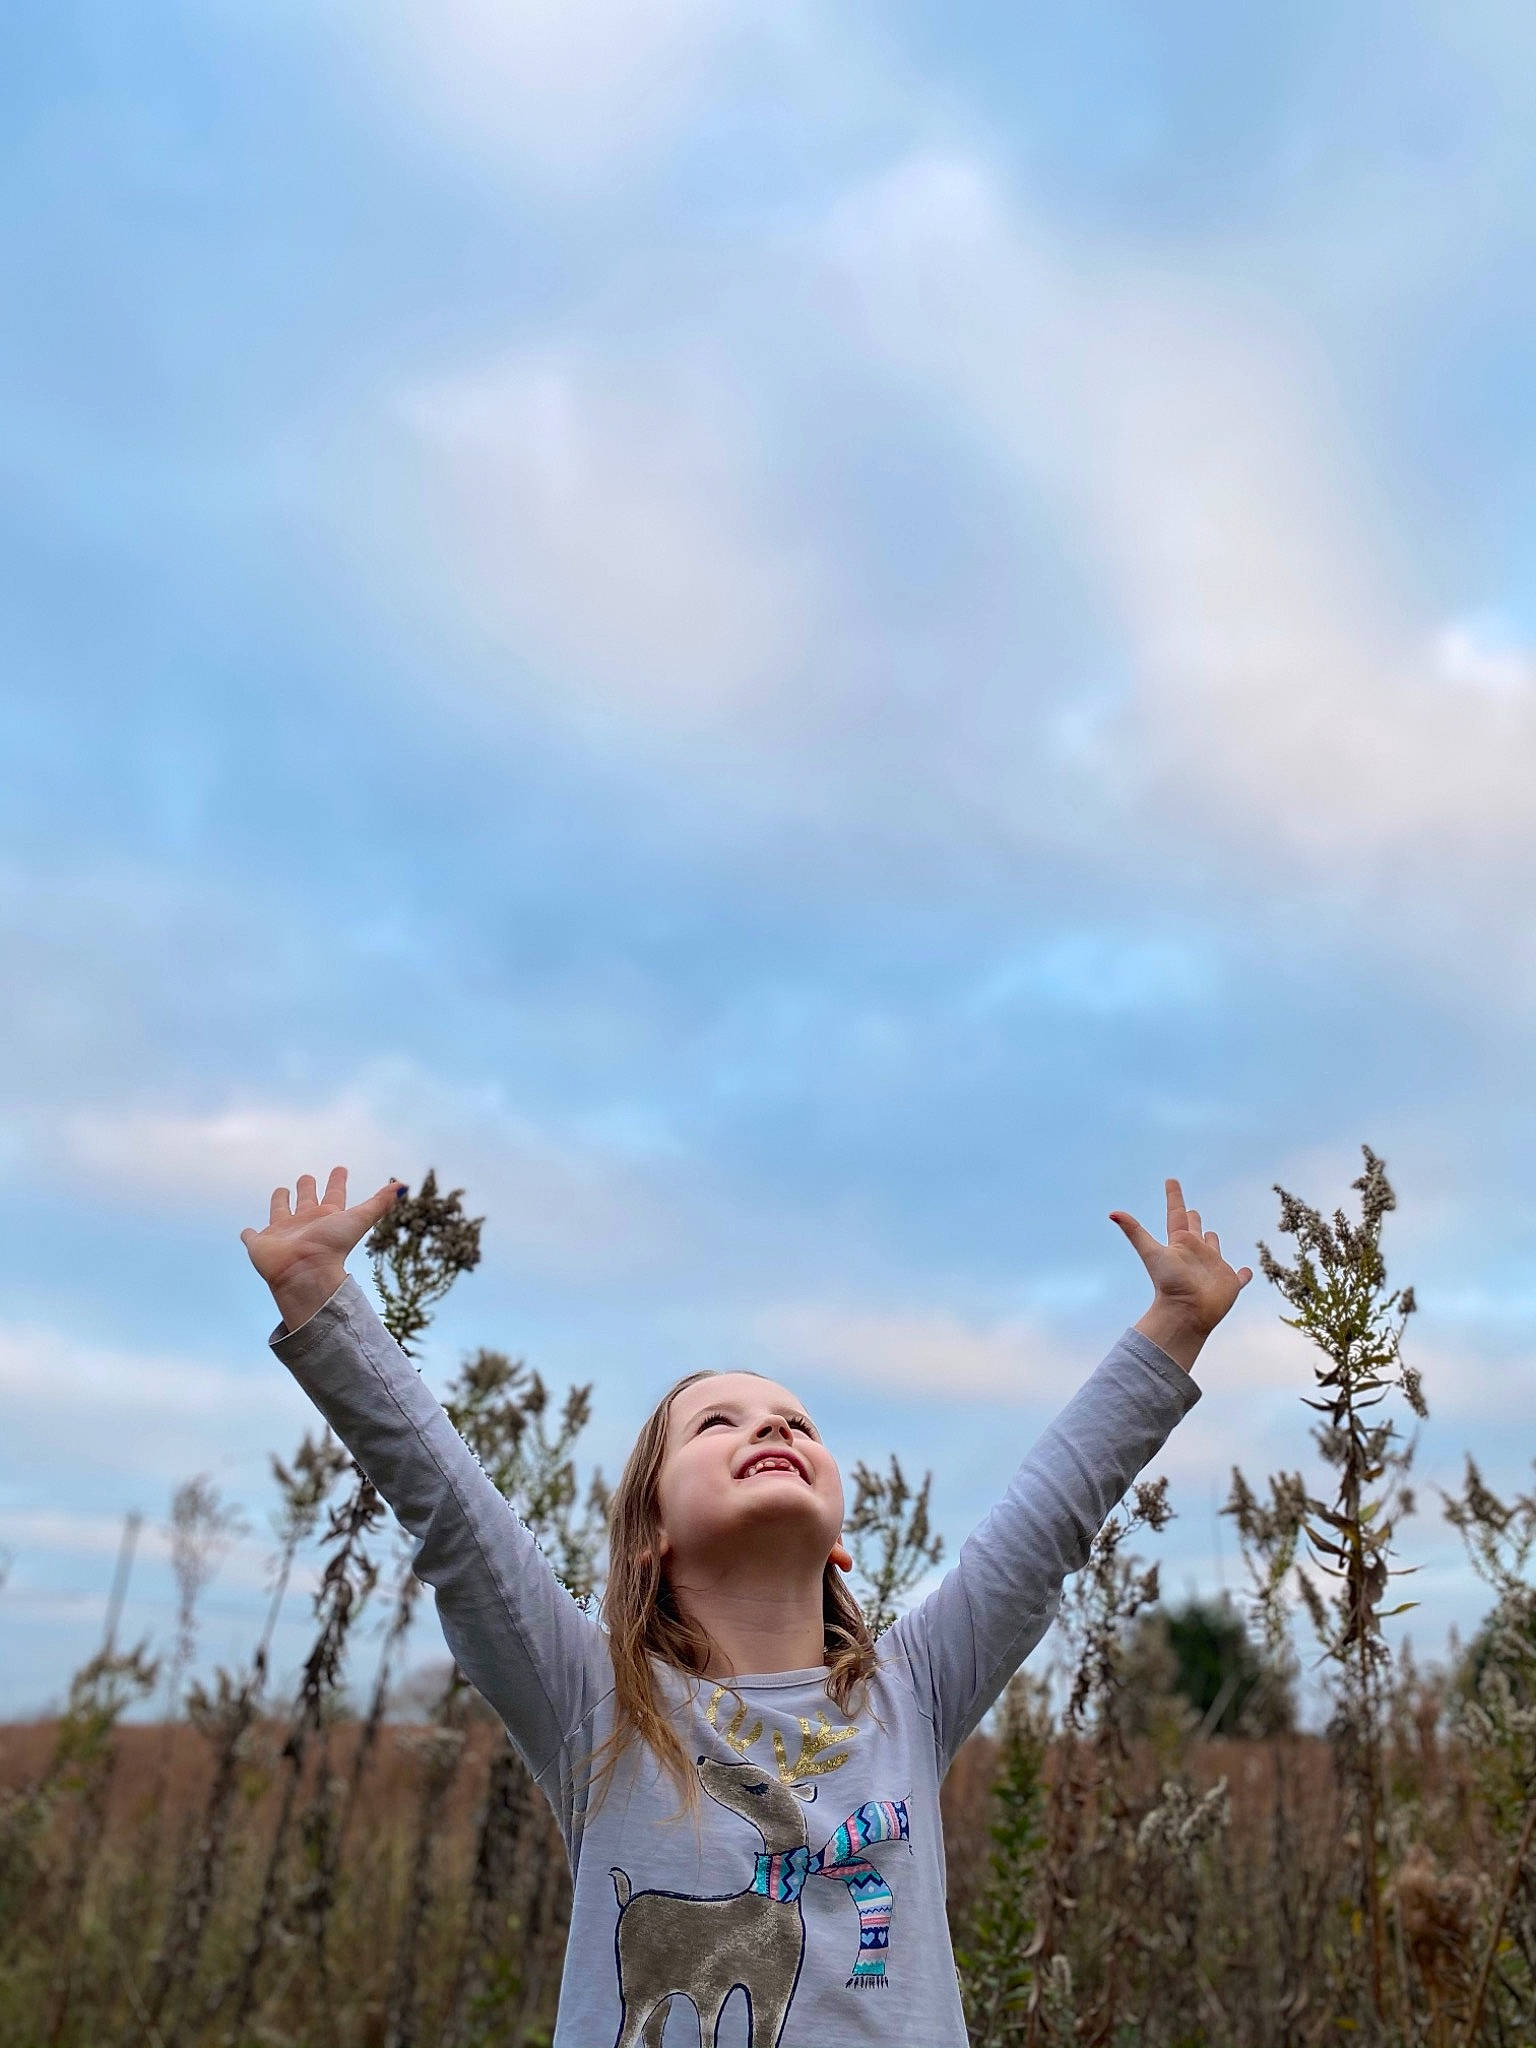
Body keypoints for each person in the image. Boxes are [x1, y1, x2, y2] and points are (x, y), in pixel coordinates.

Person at [242, 1168, 1248, 2048]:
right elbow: (456, 1521)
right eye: (716, 1422)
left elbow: (1049, 1515)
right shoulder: (596, 1701)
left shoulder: (914, 1691)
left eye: (795, 1420)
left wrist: (1177, 1323)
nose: (769, 1422)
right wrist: (320, 1299)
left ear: (839, 1536)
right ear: (651, 1533)